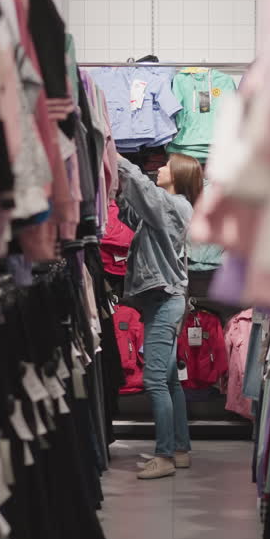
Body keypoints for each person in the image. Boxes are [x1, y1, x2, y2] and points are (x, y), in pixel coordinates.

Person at [115, 153, 204, 479]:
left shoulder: (172, 206)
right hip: (164, 300)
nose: (160, 169)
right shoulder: (167, 208)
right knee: (168, 381)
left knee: (154, 380)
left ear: (178, 176)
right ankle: (179, 449)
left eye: (166, 166)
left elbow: (140, 185)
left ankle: (164, 456)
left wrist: (113, 155)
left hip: (165, 301)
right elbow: (134, 209)